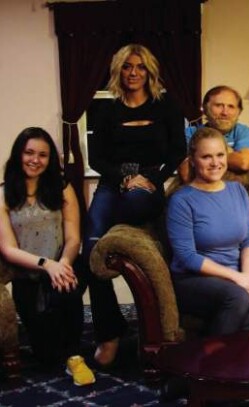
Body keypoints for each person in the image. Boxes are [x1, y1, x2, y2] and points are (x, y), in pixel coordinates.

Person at [83, 43, 186, 366]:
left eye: (140, 67)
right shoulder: (107, 109)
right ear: (118, 70)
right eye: (127, 66)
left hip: (150, 183)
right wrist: (125, 177)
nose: (133, 73)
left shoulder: (165, 103)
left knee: (135, 204)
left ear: (149, 71)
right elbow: (97, 157)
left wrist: (151, 178)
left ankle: (118, 224)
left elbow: (176, 150)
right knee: (91, 252)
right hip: (114, 182)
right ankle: (109, 333)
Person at [0, 127, 95, 386]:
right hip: (28, 276)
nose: (35, 160)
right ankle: (58, 346)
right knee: (46, 356)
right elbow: (8, 249)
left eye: (42, 155)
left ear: (50, 159)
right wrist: (46, 265)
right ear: (19, 154)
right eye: (29, 152)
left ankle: (76, 356)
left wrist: (63, 264)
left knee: (67, 286)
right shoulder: (3, 194)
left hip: (62, 266)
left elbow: (74, 236)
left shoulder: (62, 188)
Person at [167, 126, 249, 335]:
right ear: (193, 160)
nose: (215, 163)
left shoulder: (237, 190)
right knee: (237, 298)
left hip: (237, 278)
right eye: (206, 157)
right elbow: (187, 256)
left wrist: (247, 278)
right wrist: (236, 279)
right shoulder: (181, 200)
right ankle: (210, 365)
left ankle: (243, 367)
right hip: (194, 280)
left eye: (220, 155)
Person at [179, 85, 249, 181]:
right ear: (205, 109)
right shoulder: (190, 133)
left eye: (231, 106)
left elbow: (243, 163)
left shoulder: (244, 132)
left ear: (238, 111)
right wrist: (231, 153)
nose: (225, 112)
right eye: (219, 105)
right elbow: (186, 173)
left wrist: (204, 155)